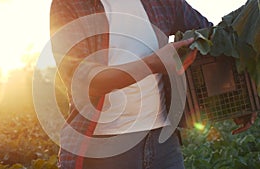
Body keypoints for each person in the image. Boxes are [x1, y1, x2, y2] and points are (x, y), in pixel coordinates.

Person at [49, 0, 256, 169]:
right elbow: (84, 81)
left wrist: (242, 99)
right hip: (104, 150)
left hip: (163, 145)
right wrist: (154, 64)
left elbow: (212, 40)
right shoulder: (71, 5)